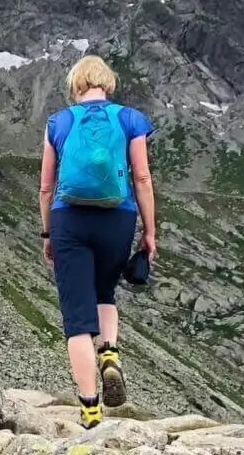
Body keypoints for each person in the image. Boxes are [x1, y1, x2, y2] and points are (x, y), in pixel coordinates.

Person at [38, 56, 156, 429]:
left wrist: (47, 232)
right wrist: (149, 231)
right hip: (117, 218)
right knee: (105, 290)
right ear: (108, 83)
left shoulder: (59, 122)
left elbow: (45, 186)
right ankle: (110, 352)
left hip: (68, 218)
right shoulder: (130, 119)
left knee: (76, 318)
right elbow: (141, 177)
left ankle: (90, 408)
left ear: (76, 84)